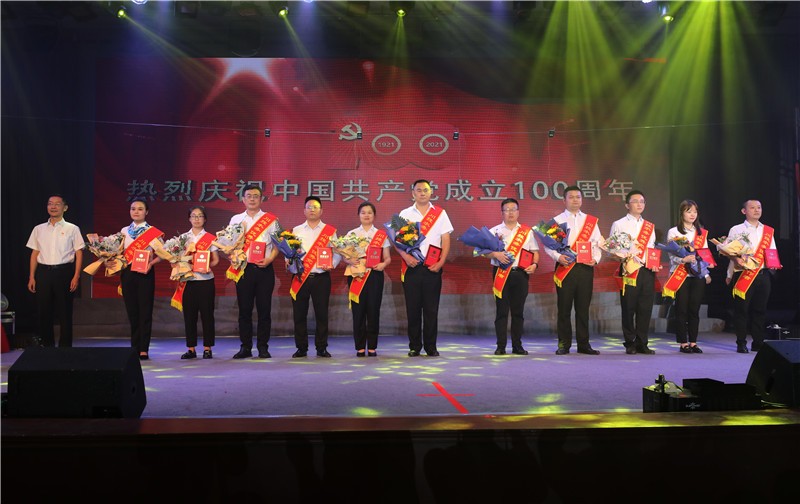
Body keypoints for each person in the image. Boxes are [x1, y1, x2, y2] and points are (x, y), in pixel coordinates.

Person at [397, 179, 454, 357]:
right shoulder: (405, 214)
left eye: (425, 190)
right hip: (412, 266)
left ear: (431, 192)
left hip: (433, 267)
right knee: (412, 309)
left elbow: (445, 239)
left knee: (431, 309)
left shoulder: (440, 213)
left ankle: (431, 346)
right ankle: (414, 346)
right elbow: (398, 241)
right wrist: (406, 257)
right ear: (413, 193)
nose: (422, 193)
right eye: (419, 190)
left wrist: (441, 262)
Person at [545, 186, 602, 355]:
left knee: (583, 308)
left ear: (582, 200)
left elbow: (597, 243)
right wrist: (558, 257)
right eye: (571, 197)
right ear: (564, 200)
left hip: (585, 268)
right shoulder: (556, 221)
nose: (575, 200)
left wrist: (595, 259)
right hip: (565, 267)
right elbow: (548, 246)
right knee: (564, 309)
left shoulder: (591, 221)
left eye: (578, 197)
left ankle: (584, 344)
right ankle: (564, 344)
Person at [26, 194, 85, 347]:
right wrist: (32, 276)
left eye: (57, 204)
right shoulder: (39, 229)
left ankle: (65, 348)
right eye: (50, 203)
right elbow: (34, 253)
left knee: (65, 311)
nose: (53, 207)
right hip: (43, 273)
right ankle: (47, 346)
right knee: (44, 311)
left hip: (64, 272)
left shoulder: (72, 228)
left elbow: (79, 253)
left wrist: (76, 276)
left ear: (65, 208)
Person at [229, 184, 280, 359]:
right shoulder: (236, 219)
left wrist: (270, 259)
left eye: (256, 196)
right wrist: (233, 256)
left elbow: (278, 245)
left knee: (264, 310)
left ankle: (263, 347)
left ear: (261, 199)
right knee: (244, 310)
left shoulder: (270, 220)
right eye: (249, 196)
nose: (252, 199)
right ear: (243, 199)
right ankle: (245, 347)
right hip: (243, 269)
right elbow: (229, 243)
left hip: (264, 268)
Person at [609, 190, 659, 355]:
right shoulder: (619, 224)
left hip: (647, 270)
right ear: (627, 205)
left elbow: (651, 248)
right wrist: (625, 255)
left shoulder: (649, 226)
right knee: (628, 307)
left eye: (642, 201)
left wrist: (654, 263)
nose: (639, 204)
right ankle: (630, 342)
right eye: (635, 201)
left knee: (645, 307)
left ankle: (642, 342)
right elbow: (612, 248)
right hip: (629, 269)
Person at [486, 198, 538, 355]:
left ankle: (517, 345)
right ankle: (500, 346)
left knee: (518, 312)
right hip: (501, 273)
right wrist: (496, 254)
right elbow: (483, 252)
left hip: (520, 274)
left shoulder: (527, 232)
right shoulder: (494, 231)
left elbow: (535, 252)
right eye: (507, 210)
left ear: (518, 212)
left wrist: (535, 265)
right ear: (502, 212)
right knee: (501, 311)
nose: (510, 212)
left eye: (513, 209)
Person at [724, 199, 778, 353]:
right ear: (744, 211)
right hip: (743, 274)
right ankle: (741, 342)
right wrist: (730, 272)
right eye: (752, 207)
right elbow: (728, 251)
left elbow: (771, 251)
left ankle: (758, 342)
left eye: (759, 207)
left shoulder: (768, 230)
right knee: (741, 310)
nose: (756, 210)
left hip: (763, 273)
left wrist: (774, 263)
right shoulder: (736, 229)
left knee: (760, 310)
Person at [290, 196, 340, 358]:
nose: (312, 210)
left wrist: (332, 264)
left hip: (321, 278)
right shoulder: (296, 230)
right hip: (300, 277)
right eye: (309, 207)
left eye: (315, 207)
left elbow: (338, 252)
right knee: (299, 314)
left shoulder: (329, 231)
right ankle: (301, 347)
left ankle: (321, 347)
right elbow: (289, 252)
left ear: (321, 211)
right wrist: (289, 262)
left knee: (322, 314)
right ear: (304, 211)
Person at [345, 202, 392, 357]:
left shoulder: (381, 235)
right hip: (356, 275)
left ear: (374, 215)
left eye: (369, 212)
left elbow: (387, 257)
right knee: (358, 312)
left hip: (374, 275)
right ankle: (359, 346)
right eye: (363, 212)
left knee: (373, 310)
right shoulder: (352, 234)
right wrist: (349, 260)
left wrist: (383, 264)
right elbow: (344, 256)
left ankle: (372, 346)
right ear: (359, 215)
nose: (366, 215)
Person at [665, 200, 712, 354]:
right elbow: (671, 254)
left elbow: (704, 254)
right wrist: (683, 259)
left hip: (697, 274)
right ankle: (683, 343)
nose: (692, 214)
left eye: (695, 211)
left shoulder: (701, 233)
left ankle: (693, 342)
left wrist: (706, 273)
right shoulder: (674, 232)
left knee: (694, 309)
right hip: (681, 273)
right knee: (681, 309)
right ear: (682, 213)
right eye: (689, 211)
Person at [120, 198, 163, 360]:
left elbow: (164, 254)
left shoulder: (152, 232)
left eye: (140, 209)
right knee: (132, 311)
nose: (136, 211)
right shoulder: (124, 231)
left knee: (145, 311)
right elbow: (118, 252)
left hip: (145, 273)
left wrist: (151, 263)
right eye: (133, 209)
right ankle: (134, 347)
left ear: (146, 212)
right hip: (127, 273)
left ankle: (143, 348)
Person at [179, 206, 219, 360]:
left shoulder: (210, 238)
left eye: (200, 216)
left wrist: (208, 266)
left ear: (205, 219)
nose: (196, 219)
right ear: (189, 219)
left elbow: (215, 260)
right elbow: (177, 258)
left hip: (206, 280)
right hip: (188, 281)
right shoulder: (183, 238)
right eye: (193, 216)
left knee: (207, 315)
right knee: (189, 316)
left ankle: (207, 348)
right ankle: (191, 349)